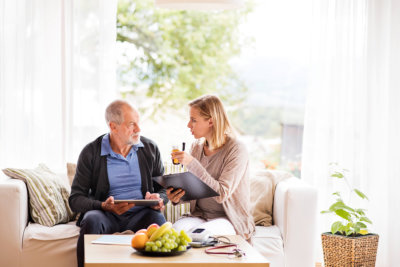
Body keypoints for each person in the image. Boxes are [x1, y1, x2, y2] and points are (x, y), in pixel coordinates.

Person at [69, 100, 167, 267]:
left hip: (142, 214)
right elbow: (75, 199)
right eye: (131, 124)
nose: (138, 129)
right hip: (106, 215)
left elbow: (163, 190)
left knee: (158, 223)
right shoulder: (91, 152)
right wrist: (103, 206)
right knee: (91, 220)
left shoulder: (150, 148)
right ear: (113, 127)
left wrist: (159, 200)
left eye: (138, 123)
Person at [168, 95, 255, 240]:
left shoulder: (236, 149)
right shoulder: (196, 148)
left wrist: (192, 163)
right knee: (175, 231)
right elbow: (196, 188)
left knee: (198, 235)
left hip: (229, 219)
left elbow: (221, 193)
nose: (189, 125)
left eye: (193, 120)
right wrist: (177, 197)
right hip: (200, 215)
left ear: (211, 121)